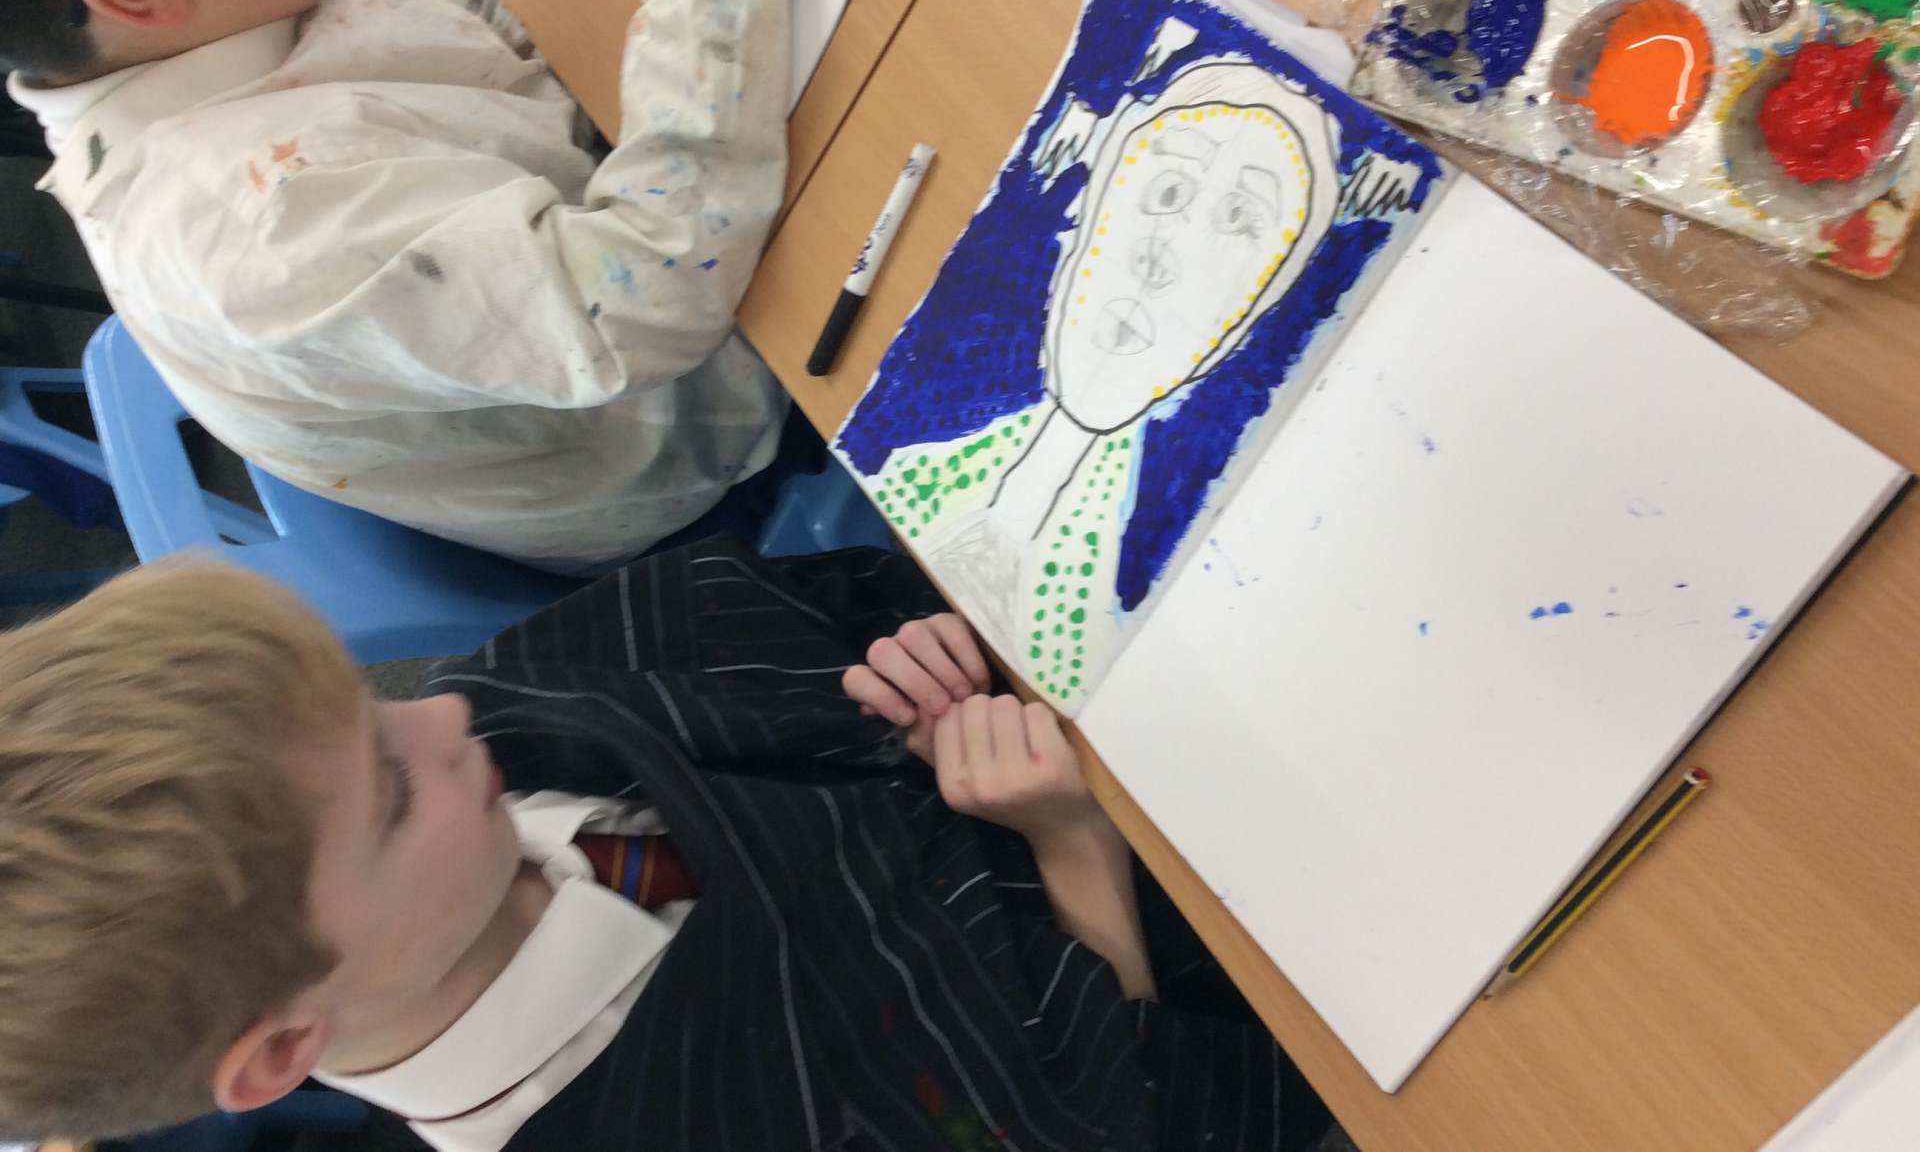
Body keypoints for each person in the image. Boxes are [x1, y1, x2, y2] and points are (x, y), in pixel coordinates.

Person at [0, 545, 1332, 1150]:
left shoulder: (496, 741)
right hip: (1291, 934)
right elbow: (1152, 1123)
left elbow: (789, 609)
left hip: (1166, 661)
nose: (444, 714)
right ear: (281, 1050)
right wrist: (1069, 845)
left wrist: (905, 669)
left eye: (372, 699)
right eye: (391, 794)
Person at [2, 0, 791, 573]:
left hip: (624, 201)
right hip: (706, 426)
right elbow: (655, 301)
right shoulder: (269, 232)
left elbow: (476, 54)